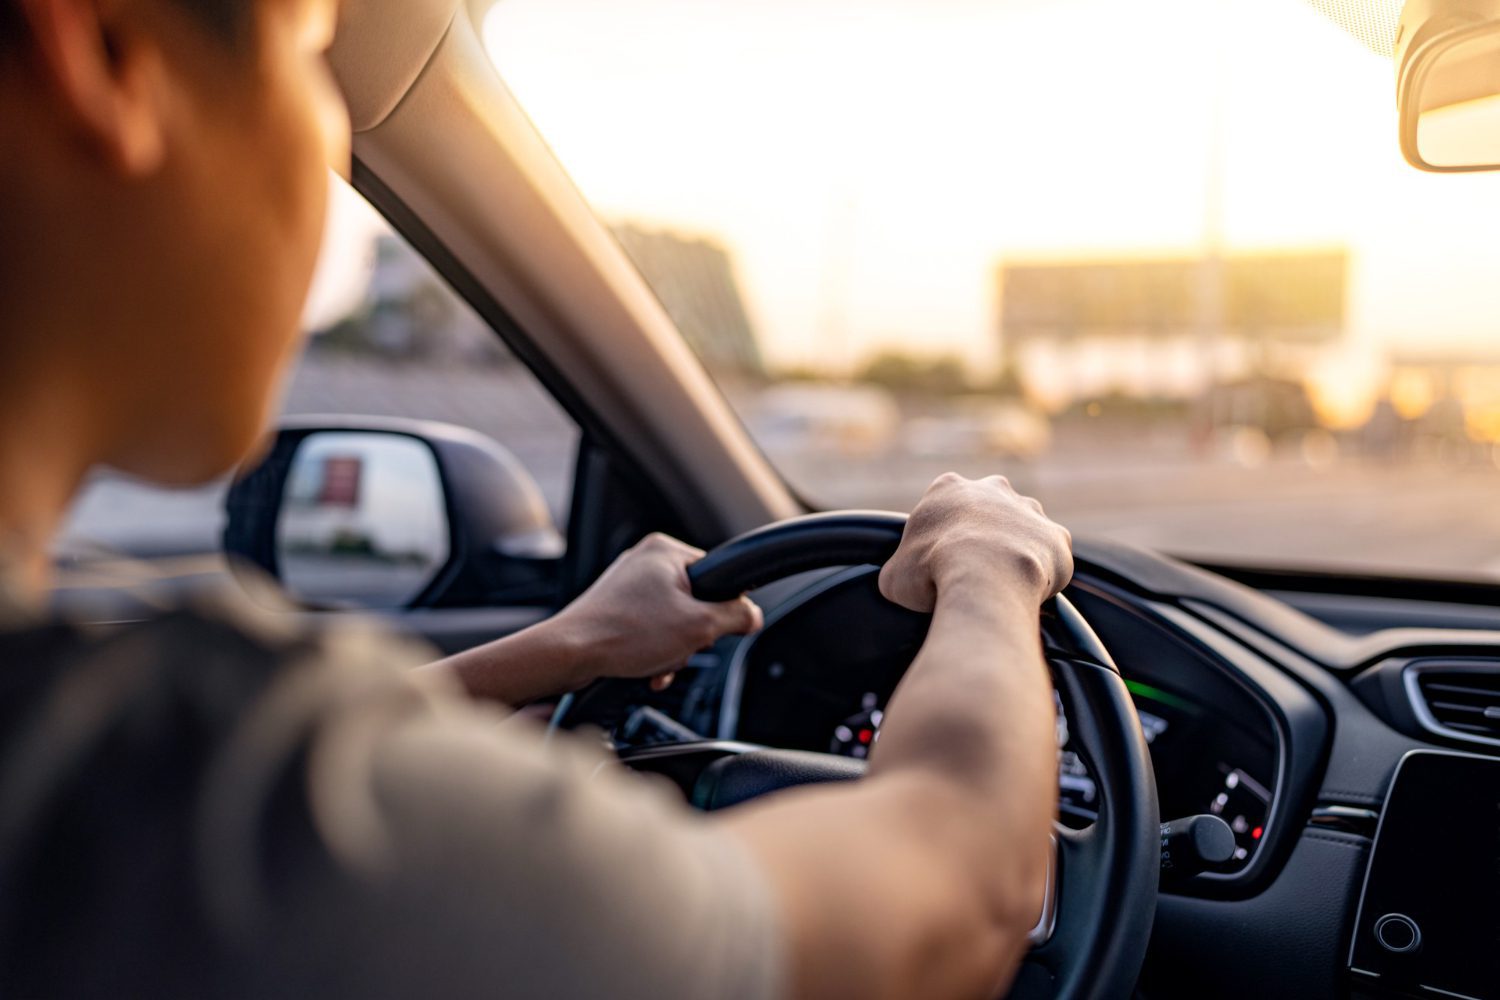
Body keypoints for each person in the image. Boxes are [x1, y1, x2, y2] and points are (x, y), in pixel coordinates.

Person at [0, 0, 1074, 997]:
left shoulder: (108, 756)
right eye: (309, 48)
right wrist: (990, 565)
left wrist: (562, 646)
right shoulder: (220, 818)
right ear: (99, 51)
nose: (328, 140)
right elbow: (961, 887)